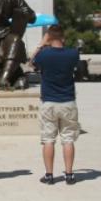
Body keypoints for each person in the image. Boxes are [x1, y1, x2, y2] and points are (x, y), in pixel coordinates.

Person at [31, 25, 82, 185]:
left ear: (49, 38)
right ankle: (69, 174)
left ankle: (49, 175)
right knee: (68, 139)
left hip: (49, 102)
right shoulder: (73, 53)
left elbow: (31, 62)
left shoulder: (44, 55)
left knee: (48, 139)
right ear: (63, 37)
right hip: (67, 100)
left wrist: (41, 44)